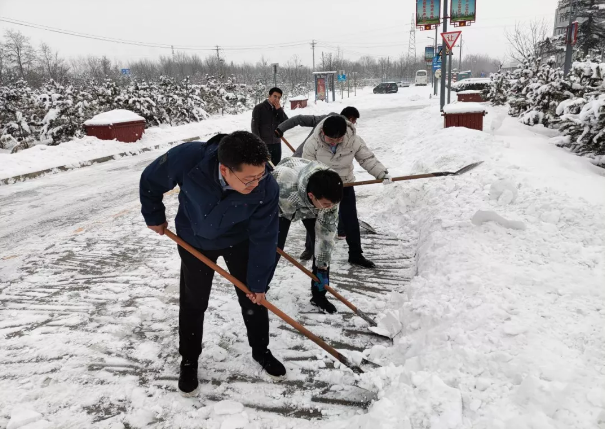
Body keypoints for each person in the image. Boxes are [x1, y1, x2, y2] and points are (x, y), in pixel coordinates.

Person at [139, 131, 286, 397]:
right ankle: (189, 359)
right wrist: (153, 215)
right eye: (249, 178)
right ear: (224, 169)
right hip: (194, 241)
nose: (257, 182)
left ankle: (261, 351)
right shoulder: (187, 158)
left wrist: (258, 282)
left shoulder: (266, 187)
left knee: (253, 298)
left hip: (238, 241)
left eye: (260, 175)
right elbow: (150, 180)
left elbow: (265, 238)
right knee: (194, 302)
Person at [302, 116, 392, 269]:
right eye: (331, 139)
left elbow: (367, 159)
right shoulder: (312, 144)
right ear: (323, 132)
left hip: (345, 184)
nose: (335, 142)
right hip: (322, 188)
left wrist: (381, 173)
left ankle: (356, 254)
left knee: (351, 220)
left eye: (339, 139)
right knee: (315, 220)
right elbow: (307, 169)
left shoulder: (353, 140)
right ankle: (310, 248)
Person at [275, 107, 360, 247]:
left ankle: (332, 235)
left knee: (326, 205)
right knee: (311, 209)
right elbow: (299, 119)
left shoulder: (346, 136)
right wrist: (281, 128)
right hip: (301, 167)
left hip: (320, 171)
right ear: (350, 119)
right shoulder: (324, 121)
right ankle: (310, 247)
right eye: (354, 121)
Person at [269, 157, 343, 314]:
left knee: (322, 249)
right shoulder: (282, 183)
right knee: (273, 248)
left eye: (332, 204)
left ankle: (319, 295)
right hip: (282, 204)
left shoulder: (329, 197)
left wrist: (322, 263)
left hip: (311, 205)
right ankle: (259, 286)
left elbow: (325, 240)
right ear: (311, 196)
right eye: (327, 204)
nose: (331, 207)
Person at [274, 106, 360, 157]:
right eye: (354, 121)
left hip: (301, 158)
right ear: (351, 118)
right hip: (315, 167)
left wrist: (281, 128)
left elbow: (299, 119)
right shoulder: (348, 131)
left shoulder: (324, 119)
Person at [251, 87, 288, 164]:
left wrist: (279, 110)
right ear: (269, 96)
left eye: (279, 97)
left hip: (277, 143)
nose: (277, 99)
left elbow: (286, 122)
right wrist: (259, 144)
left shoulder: (278, 109)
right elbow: (254, 127)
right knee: (265, 166)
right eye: (275, 96)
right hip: (264, 144)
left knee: (276, 166)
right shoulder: (259, 108)